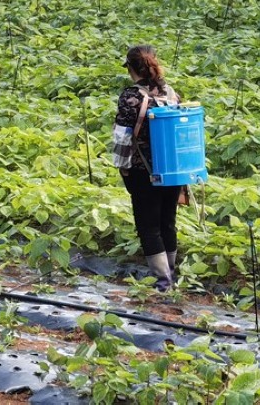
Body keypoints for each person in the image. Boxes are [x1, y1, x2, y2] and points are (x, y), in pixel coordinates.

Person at [113, 45, 181, 291]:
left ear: (131, 68)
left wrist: (123, 168)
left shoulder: (132, 96)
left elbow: (122, 137)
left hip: (144, 171)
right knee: (167, 222)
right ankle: (172, 275)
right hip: (172, 169)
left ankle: (163, 283)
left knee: (148, 226)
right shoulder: (170, 93)